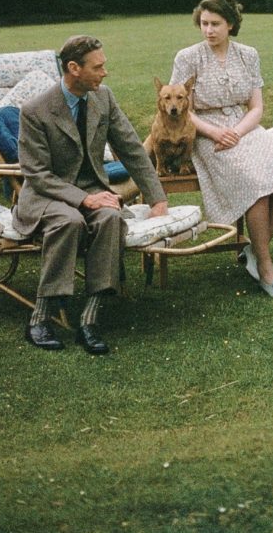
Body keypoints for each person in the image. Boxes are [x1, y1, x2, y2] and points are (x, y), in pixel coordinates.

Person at [13, 35, 169, 354]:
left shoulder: (103, 98)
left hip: (92, 191)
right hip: (46, 197)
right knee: (69, 221)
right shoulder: (35, 111)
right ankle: (39, 319)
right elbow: (37, 175)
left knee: (111, 217)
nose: (105, 72)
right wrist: (84, 199)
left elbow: (132, 150)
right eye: (98, 67)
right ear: (74, 69)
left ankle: (90, 320)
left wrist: (157, 198)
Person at [170, 0, 273, 299]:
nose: (209, 30)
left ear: (230, 24)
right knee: (253, 183)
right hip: (205, 133)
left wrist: (237, 131)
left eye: (215, 23)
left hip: (245, 127)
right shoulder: (187, 57)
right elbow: (182, 108)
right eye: (204, 23)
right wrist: (216, 133)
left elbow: (256, 107)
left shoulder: (248, 54)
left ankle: (255, 251)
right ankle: (267, 271)